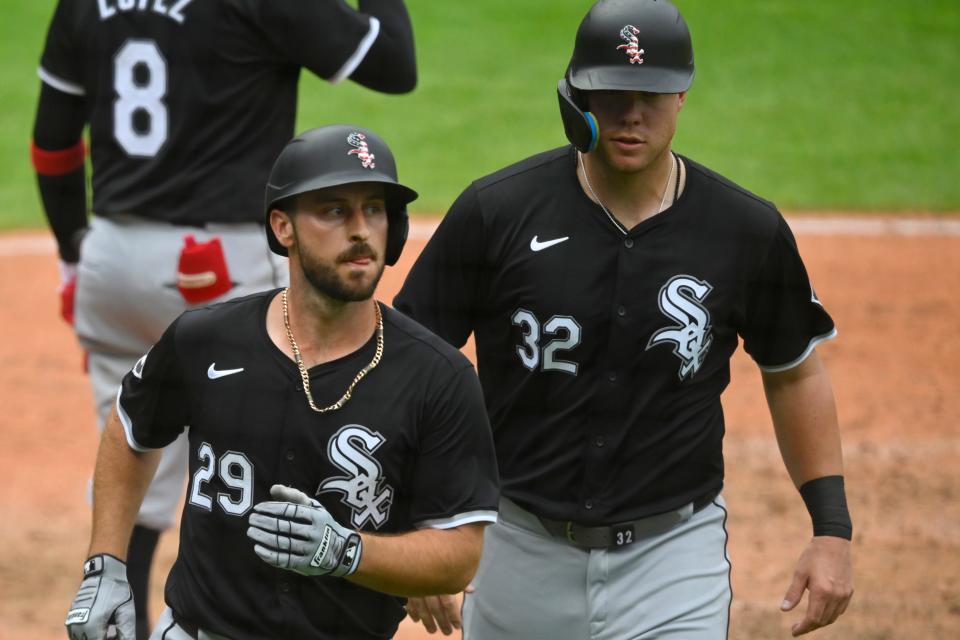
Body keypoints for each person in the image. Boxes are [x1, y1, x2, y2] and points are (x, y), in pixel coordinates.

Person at [394, 1, 854, 638]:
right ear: (575, 95)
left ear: (683, 95)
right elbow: (408, 366)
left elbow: (794, 374)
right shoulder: (496, 213)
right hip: (514, 546)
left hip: (672, 560)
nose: (632, 112)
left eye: (653, 93)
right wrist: (419, 524)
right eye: (612, 94)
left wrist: (831, 530)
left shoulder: (743, 230)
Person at [32, 1, 416, 635]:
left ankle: (115, 616)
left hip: (113, 258)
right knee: (269, 454)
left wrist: (76, 258)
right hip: (223, 262)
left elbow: (52, 142)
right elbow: (393, 64)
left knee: (133, 448)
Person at [63, 125, 500, 640]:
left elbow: (459, 553)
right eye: (334, 210)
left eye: (374, 209)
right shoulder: (206, 340)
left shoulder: (438, 377)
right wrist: (106, 564)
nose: (360, 231)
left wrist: (346, 552)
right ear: (283, 228)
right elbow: (131, 426)